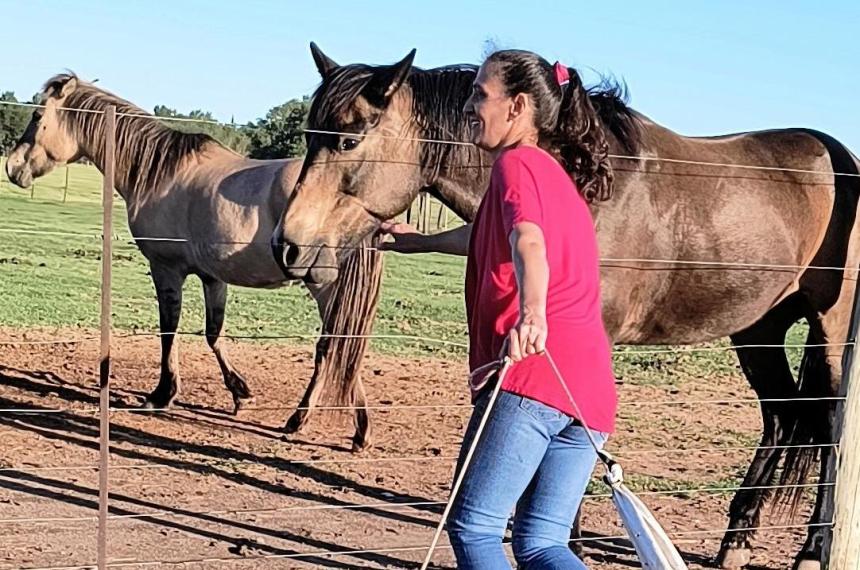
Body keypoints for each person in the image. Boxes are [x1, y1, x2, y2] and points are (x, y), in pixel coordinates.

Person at [381, 49, 618, 570]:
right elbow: (491, 236)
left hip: (533, 378)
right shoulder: (556, 180)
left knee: (476, 528)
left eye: (479, 94)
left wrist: (533, 314)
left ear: (517, 107)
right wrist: (419, 243)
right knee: (543, 543)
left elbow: (528, 242)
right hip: (590, 391)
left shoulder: (516, 164)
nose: (469, 104)